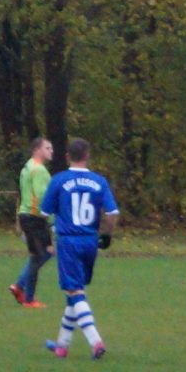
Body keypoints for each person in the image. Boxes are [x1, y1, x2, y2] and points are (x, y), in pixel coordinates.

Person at [40, 138, 120, 360]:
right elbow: (112, 214)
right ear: (87, 156)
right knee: (75, 292)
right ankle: (62, 346)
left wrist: (47, 239)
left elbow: (43, 214)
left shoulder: (58, 180)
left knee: (75, 292)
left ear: (67, 156)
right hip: (90, 241)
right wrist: (106, 235)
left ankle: (96, 342)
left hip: (68, 242)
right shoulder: (99, 181)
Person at [10, 137, 55, 308]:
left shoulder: (27, 167)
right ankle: (29, 299)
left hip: (26, 215)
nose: (51, 151)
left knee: (44, 253)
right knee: (39, 255)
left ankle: (19, 286)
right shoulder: (39, 170)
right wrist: (50, 218)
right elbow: (42, 195)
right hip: (35, 217)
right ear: (37, 150)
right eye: (47, 148)